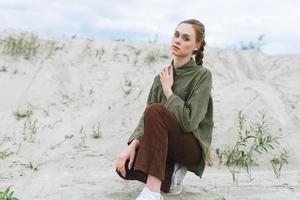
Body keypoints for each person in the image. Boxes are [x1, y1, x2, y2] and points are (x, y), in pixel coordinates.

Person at [115, 19, 214, 200]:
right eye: (176, 35)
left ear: (196, 46)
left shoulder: (202, 76)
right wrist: (132, 146)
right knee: (126, 169)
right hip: (166, 144)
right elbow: (147, 119)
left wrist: (168, 91)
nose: (177, 40)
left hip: (191, 146)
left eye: (185, 38)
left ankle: (152, 192)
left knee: (156, 110)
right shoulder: (160, 77)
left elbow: (189, 122)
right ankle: (171, 175)